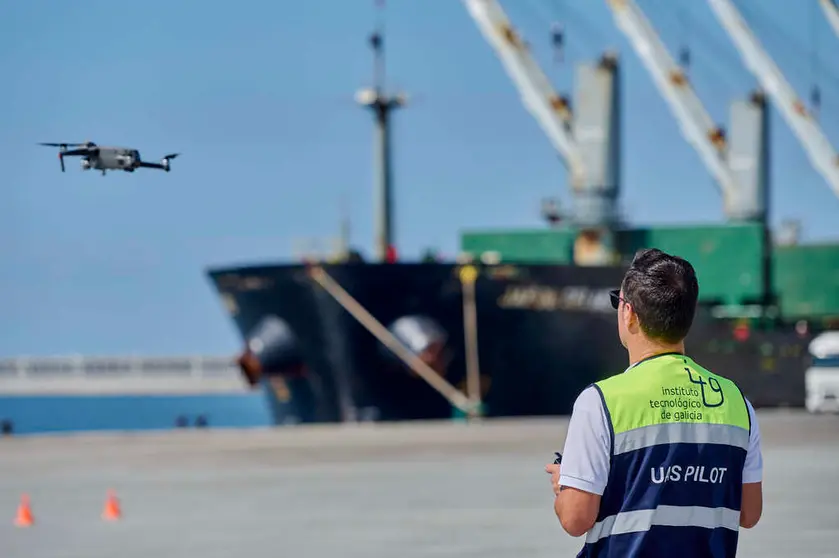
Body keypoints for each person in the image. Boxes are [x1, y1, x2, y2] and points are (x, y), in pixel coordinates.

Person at [544, 248, 763, 557]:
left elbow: (575, 519)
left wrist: (566, 485)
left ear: (628, 312)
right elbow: (749, 513)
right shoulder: (737, 403)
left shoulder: (601, 402)